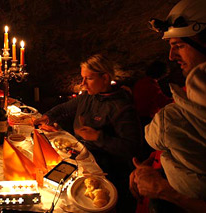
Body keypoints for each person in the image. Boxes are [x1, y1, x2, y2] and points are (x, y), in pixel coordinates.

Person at [34, 54, 142, 212]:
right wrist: (47, 117)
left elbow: (132, 148)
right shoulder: (88, 96)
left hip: (104, 167)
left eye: (88, 78)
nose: (83, 84)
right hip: (79, 155)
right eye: (82, 78)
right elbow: (65, 108)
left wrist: (98, 137)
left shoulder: (122, 108)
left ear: (105, 78)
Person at [130, 0, 206, 212]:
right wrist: (148, 165)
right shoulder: (188, 97)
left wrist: (165, 191)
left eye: (179, 46)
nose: (172, 57)